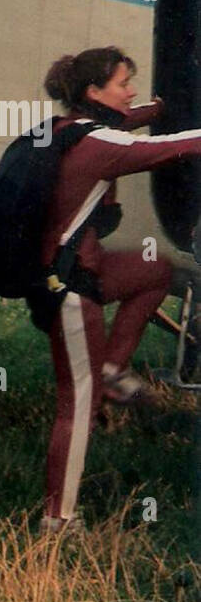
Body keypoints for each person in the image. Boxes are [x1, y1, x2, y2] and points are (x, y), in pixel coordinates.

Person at [31, 47, 201, 533]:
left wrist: (160, 107)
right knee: (76, 406)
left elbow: (136, 119)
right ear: (94, 92)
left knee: (153, 272)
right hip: (68, 288)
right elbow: (174, 148)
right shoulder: (99, 145)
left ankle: (111, 367)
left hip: (80, 270)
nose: (131, 91)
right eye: (124, 83)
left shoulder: (70, 129)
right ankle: (58, 520)